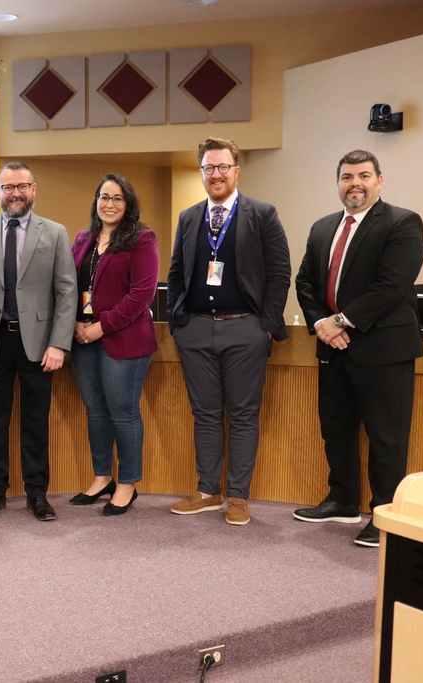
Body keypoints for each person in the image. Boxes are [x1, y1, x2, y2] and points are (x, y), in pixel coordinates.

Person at [293, 150, 423, 548]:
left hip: (384, 349)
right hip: (334, 350)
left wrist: (340, 321)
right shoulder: (322, 228)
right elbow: (304, 283)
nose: (355, 183)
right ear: (338, 184)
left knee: (386, 437)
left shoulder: (402, 222)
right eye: (347, 176)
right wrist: (321, 323)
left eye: (364, 175)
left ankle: (385, 516)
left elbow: (392, 286)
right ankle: (342, 500)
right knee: (336, 431)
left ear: (379, 181)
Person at [166, 137, 291, 526]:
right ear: (201, 172)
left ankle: (237, 496)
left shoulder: (262, 214)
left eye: (222, 167)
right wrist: (177, 321)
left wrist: (266, 326)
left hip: (245, 331)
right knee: (204, 415)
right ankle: (207, 491)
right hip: (197, 332)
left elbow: (280, 272)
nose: (215, 174)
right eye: (208, 168)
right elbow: (175, 273)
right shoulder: (188, 217)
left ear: (236, 171)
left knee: (242, 416)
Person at [0, 161, 77, 522]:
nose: (15, 193)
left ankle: (37, 494)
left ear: (34, 189)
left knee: (35, 422)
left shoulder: (55, 232)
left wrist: (58, 344)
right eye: (8, 187)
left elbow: (67, 291)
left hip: (40, 345)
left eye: (22, 186)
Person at [69, 174, 158, 516]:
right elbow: (71, 285)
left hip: (124, 340)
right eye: (104, 197)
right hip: (83, 338)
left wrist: (101, 327)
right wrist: (77, 321)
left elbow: (141, 295)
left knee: (123, 412)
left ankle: (127, 483)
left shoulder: (141, 238)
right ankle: (102, 476)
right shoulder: (82, 239)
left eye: (117, 198)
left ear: (128, 203)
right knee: (96, 411)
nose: (109, 204)